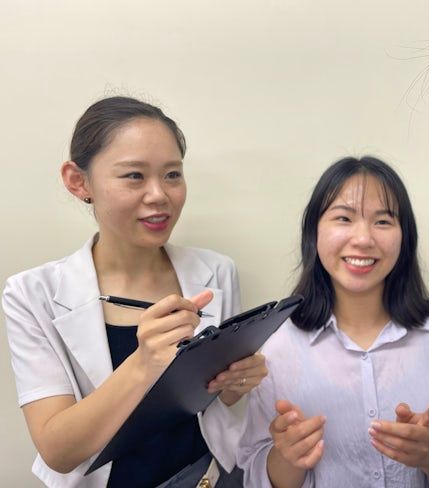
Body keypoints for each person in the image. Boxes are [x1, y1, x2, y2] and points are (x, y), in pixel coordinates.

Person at [2, 96, 267, 487]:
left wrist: (235, 384)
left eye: (172, 174)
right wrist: (143, 364)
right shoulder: (31, 294)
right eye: (134, 176)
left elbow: (212, 407)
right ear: (78, 181)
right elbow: (58, 451)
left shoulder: (217, 272)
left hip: (210, 477)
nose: (159, 194)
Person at [237, 156, 429, 487]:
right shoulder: (277, 349)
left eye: (383, 221)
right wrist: (288, 457)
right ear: (313, 232)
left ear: (404, 237)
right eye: (343, 218)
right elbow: (255, 472)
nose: (363, 239)